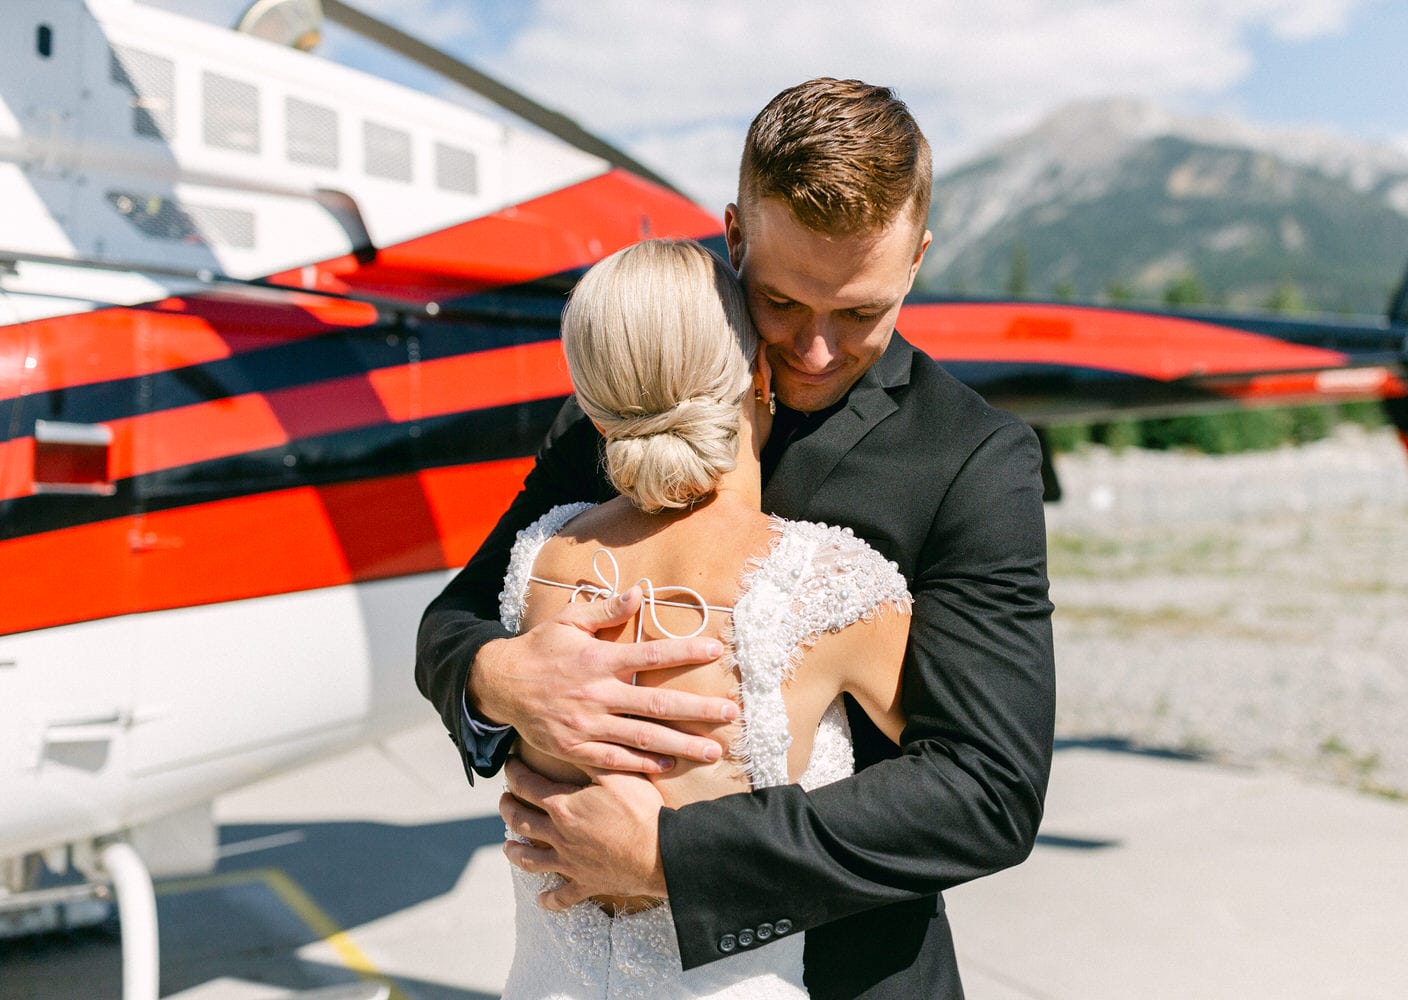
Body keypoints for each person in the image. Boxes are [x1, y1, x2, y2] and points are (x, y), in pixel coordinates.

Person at [416, 77, 1055, 999]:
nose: (817, 352)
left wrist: (672, 856)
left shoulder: (973, 460)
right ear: (733, 236)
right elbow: (459, 616)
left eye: (861, 313)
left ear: (915, 261)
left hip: (850, 976)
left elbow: (988, 790)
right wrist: (498, 679)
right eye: (784, 303)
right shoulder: (627, 401)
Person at [499, 236, 912, 998]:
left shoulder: (540, 562)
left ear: (590, 398)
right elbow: (956, 779)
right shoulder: (830, 588)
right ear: (759, 372)